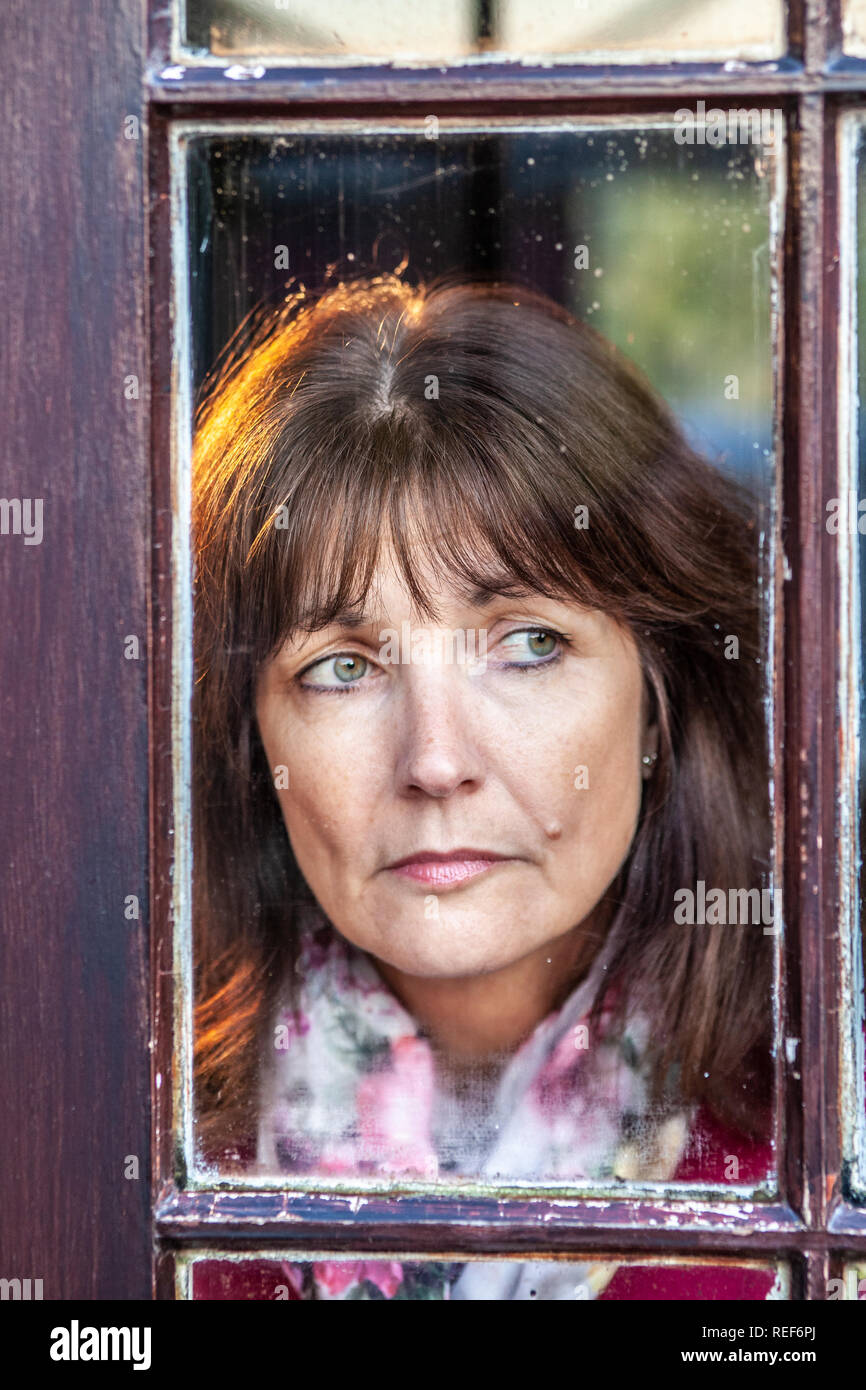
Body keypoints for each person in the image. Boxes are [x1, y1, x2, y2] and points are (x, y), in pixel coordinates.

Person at [190, 275, 774, 1300]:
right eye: (342, 665)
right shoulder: (117, 1146)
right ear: (250, 737)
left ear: (656, 698)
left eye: (528, 643)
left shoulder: (819, 1132)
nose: (434, 759)